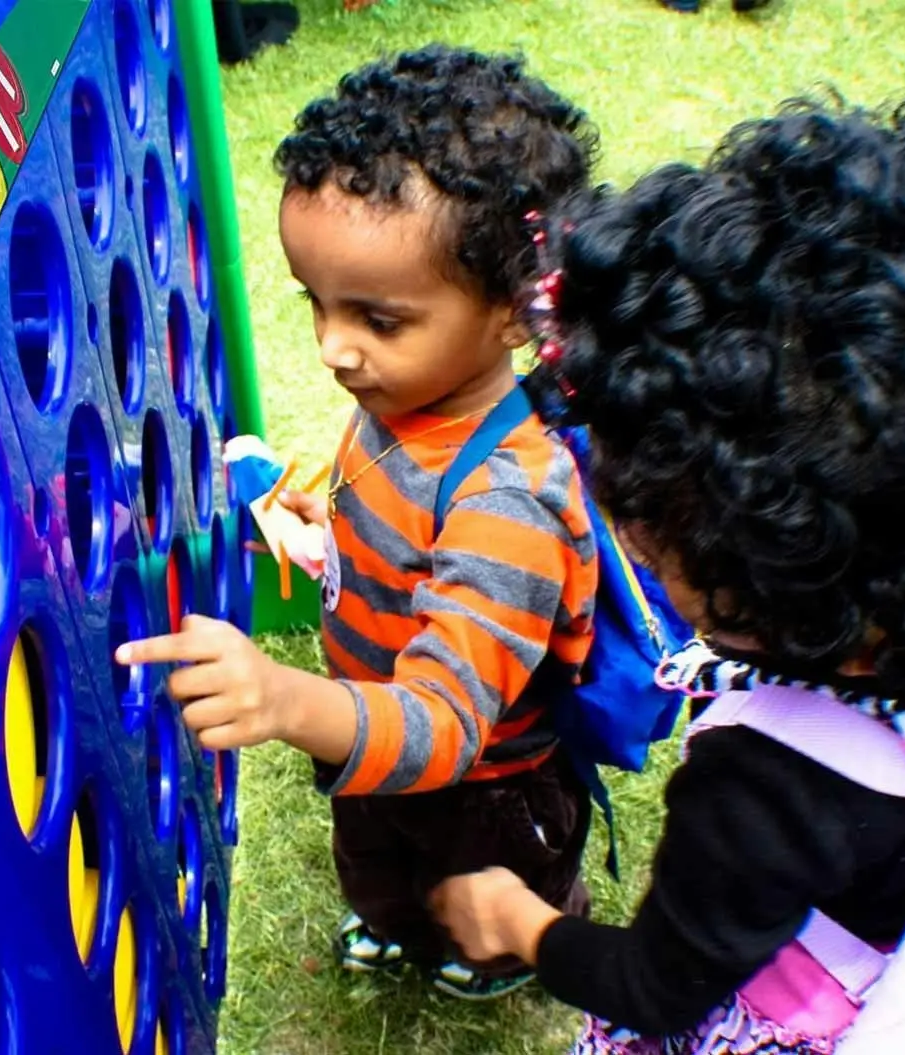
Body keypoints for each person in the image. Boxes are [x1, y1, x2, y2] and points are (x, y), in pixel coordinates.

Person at [116, 44, 601, 999]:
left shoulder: (506, 501)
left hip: (480, 783)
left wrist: (287, 701)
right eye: (316, 303)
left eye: (377, 318)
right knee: (380, 867)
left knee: (476, 896)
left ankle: (502, 945)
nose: (336, 348)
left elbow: (445, 724)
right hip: (368, 729)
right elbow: (387, 511)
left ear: (512, 312)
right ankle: (397, 923)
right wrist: (324, 520)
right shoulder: (404, 399)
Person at [433, 95, 905, 1051]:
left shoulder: (765, 788)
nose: (619, 519)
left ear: (773, 576)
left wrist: (521, 923)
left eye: (648, 529)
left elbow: (658, 985)